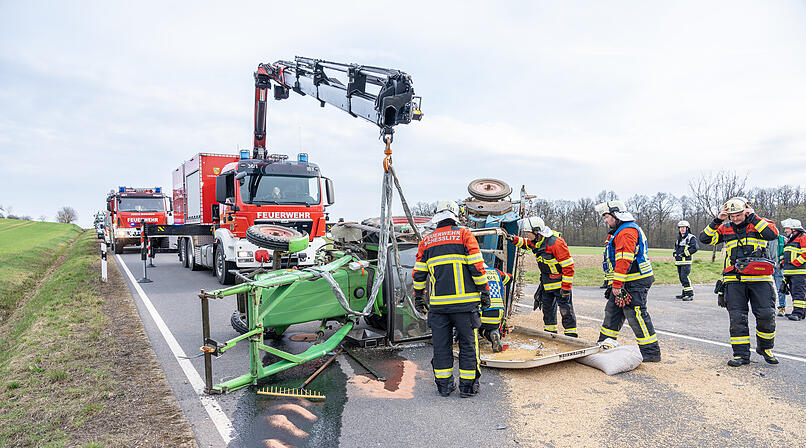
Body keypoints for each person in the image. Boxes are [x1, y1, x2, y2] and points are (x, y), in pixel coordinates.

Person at [412, 200, 490, 398]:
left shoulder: (427, 241)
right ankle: (467, 388)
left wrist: (419, 298)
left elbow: (419, 274)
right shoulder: (464, 235)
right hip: (465, 306)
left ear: (437, 217)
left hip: (439, 308)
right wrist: (485, 291)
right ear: (455, 215)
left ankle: (444, 387)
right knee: (468, 346)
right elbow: (477, 267)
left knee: (441, 347)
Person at [699, 197, 779, 366]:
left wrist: (754, 218)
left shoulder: (758, 223)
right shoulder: (725, 227)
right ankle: (741, 354)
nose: (735, 219)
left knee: (766, 314)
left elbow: (772, 235)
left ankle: (765, 348)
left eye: (738, 214)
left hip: (760, 279)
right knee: (737, 318)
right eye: (731, 215)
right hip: (734, 280)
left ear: (746, 210)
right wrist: (718, 220)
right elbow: (704, 238)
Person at [595, 200, 661, 362]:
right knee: (613, 311)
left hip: (634, 281)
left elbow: (624, 260)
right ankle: (604, 343)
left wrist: (617, 284)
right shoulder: (620, 230)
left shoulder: (626, 232)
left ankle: (651, 352)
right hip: (626, 280)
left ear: (616, 216)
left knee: (636, 315)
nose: (605, 220)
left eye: (607, 217)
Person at [509, 217, 578, 337]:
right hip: (546, 284)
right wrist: (513, 239)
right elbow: (525, 243)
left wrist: (566, 288)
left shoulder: (556, 243)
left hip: (560, 285)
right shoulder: (536, 241)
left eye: (528, 232)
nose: (526, 234)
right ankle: (550, 336)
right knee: (548, 312)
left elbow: (568, 267)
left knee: (566, 312)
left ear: (536, 231)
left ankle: (572, 337)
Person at [479, 263, 513, 352]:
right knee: (493, 327)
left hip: (482, 312)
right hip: (498, 312)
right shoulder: (496, 272)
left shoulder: (475, 272)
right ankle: (494, 333)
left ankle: (489, 334)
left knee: (478, 329)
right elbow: (509, 278)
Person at [781, 218, 806, 321]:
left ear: (794, 229)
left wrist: (795, 263)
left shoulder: (803, 238)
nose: (785, 230)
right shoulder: (791, 240)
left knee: (798, 293)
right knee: (795, 293)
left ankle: (798, 313)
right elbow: (789, 255)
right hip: (791, 272)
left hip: (799, 272)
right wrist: (783, 263)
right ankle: (801, 313)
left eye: (787, 228)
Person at [673, 220, 699, 301]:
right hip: (679, 262)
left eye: (683, 227)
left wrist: (684, 254)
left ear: (687, 228)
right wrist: (674, 253)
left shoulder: (691, 238)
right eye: (680, 227)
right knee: (681, 278)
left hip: (686, 262)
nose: (682, 229)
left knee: (684, 278)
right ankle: (684, 293)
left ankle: (689, 295)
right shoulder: (679, 238)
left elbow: (695, 248)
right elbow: (676, 248)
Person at [769, 229, 787, 316]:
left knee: (780, 288)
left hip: (779, 267)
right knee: (766, 288)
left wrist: (782, 263)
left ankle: (782, 307)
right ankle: (768, 308)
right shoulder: (766, 240)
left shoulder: (783, 239)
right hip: (768, 267)